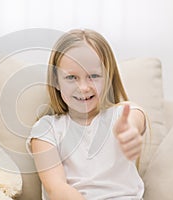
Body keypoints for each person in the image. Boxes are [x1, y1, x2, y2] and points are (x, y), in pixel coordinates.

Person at [26, 29, 146, 200]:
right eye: (71, 77)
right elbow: (56, 188)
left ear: (108, 77)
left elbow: (135, 120)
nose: (83, 87)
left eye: (94, 76)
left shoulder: (123, 113)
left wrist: (130, 131)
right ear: (55, 81)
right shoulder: (46, 129)